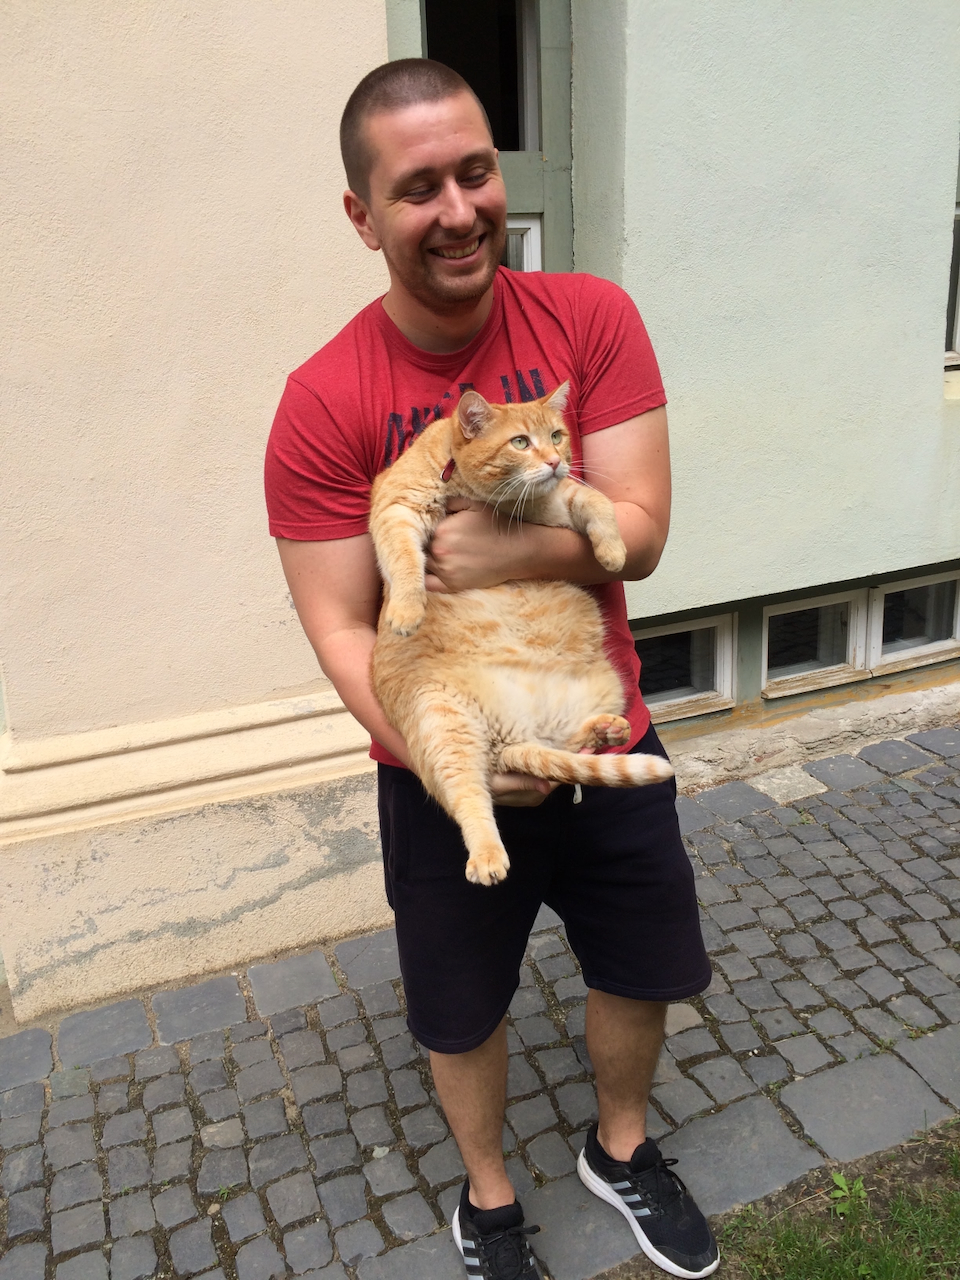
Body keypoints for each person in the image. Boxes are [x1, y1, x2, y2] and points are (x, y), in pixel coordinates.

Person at [265, 58, 719, 1280]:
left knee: (645, 961)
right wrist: (437, 750)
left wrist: (501, 538)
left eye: (475, 170)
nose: (460, 207)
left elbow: (648, 527)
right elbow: (342, 625)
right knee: (459, 1003)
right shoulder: (323, 401)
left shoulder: (591, 319)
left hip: (593, 712)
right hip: (447, 749)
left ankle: (619, 1150)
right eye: (419, 188)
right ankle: (489, 1192)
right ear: (362, 216)